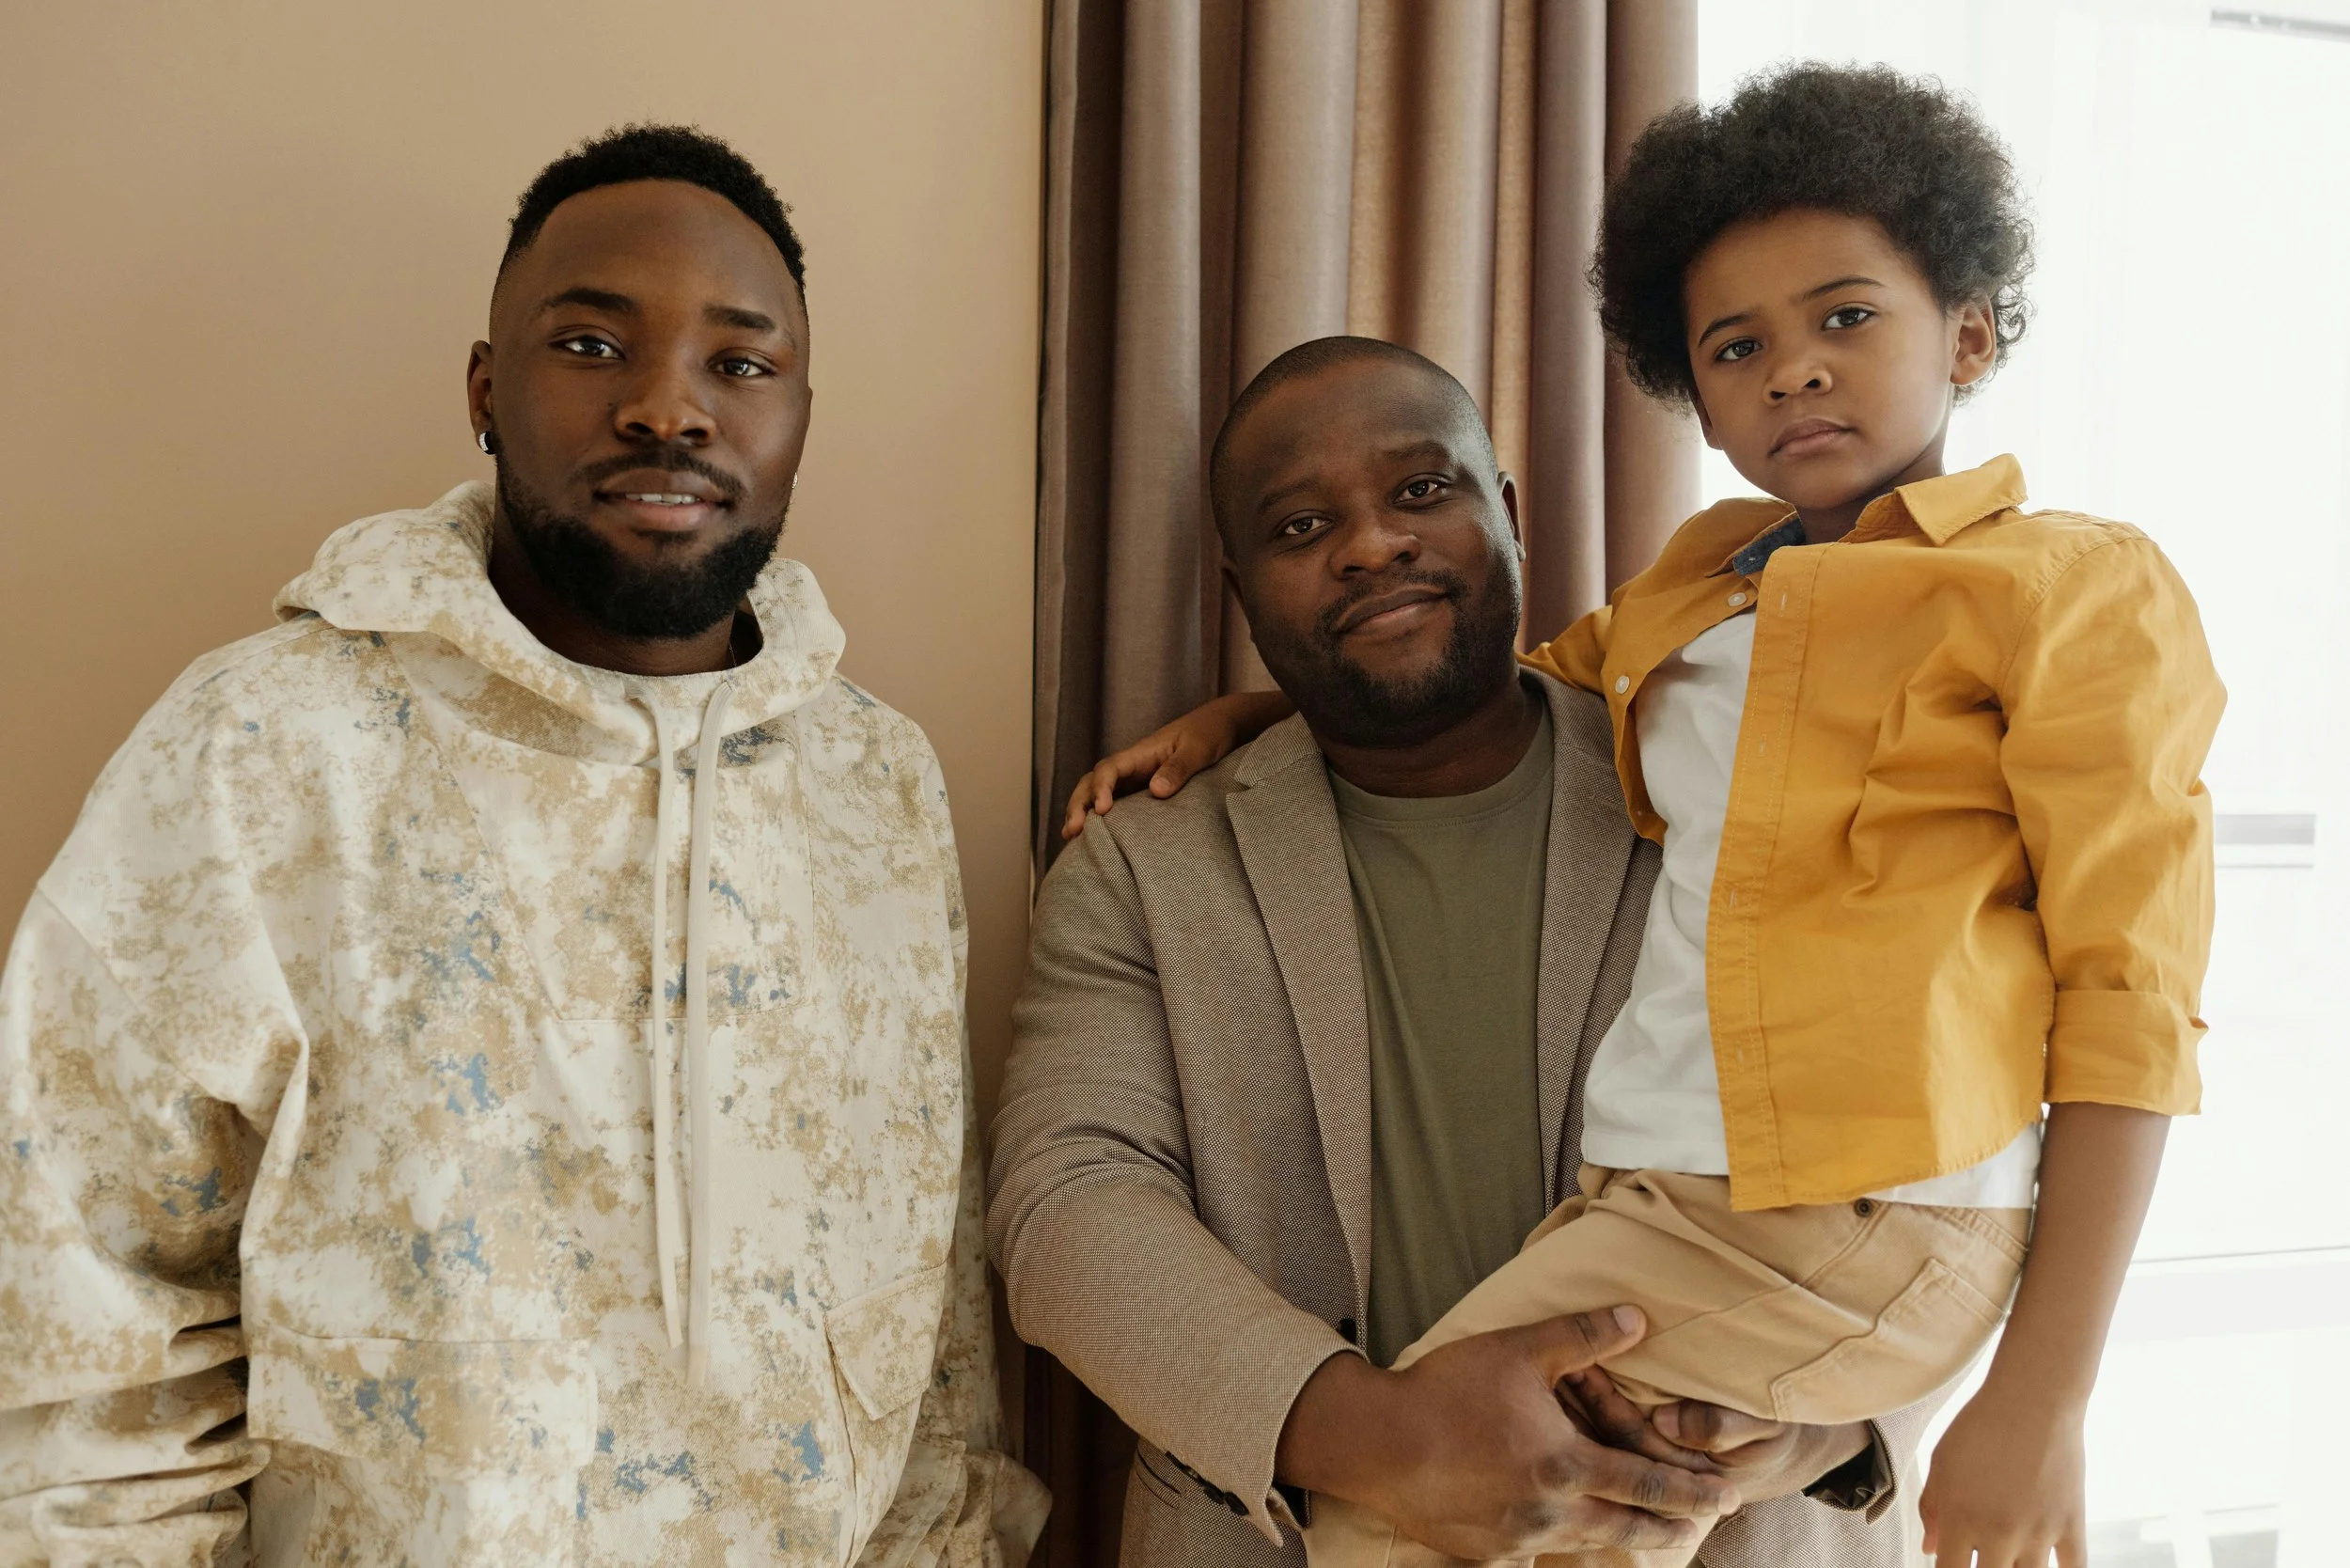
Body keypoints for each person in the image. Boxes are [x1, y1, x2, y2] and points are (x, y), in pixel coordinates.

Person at [1067, 65, 2225, 1568]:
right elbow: (1512, 679)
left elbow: (2130, 997)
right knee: (1453, 1508)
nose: (1795, 369)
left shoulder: (2073, 589)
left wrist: (2045, 1396)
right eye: (1738, 346)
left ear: (1973, 330)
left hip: (1864, 1212)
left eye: (1847, 318)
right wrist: (1253, 712)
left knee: (1386, 1531)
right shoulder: (1693, 593)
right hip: (1673, 1207)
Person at [0, 125, 1044, 1567]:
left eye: (740, 364)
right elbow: (78, 1299)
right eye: (594, 345)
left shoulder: (877, 779)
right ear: (487, 390)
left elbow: (928, 1313)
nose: (670, 410)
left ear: (804, 413)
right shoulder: (262, 751)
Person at [993, 332, 1953, 1567]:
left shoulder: (1726, 783)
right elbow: (1067, 1210)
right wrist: (1375, 1436)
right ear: (1240, 595)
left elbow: (1945, 1102)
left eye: (1419, 490)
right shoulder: (1139, 868)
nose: (1371, 544)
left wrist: (1837, 1424)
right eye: (1298, 528)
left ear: (1504, 514)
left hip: (1731, 1530)